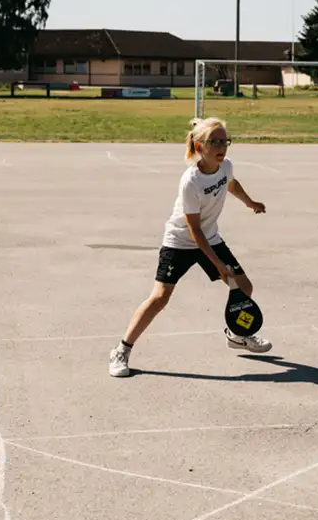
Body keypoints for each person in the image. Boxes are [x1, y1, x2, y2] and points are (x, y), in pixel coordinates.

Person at [109, 117, 272, 378]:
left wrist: (249, 202)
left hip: (210, 237)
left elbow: (231, 183)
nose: (222, 146)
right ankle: (121, 350)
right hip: (180, 242)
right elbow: (194, 231)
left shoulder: (225, 166)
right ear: (199, 147)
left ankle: (237, 335)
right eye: (215, 142)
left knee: (244, 286)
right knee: (160, 297)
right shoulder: (191, 182)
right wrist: (218, 265)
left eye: (224, 141)